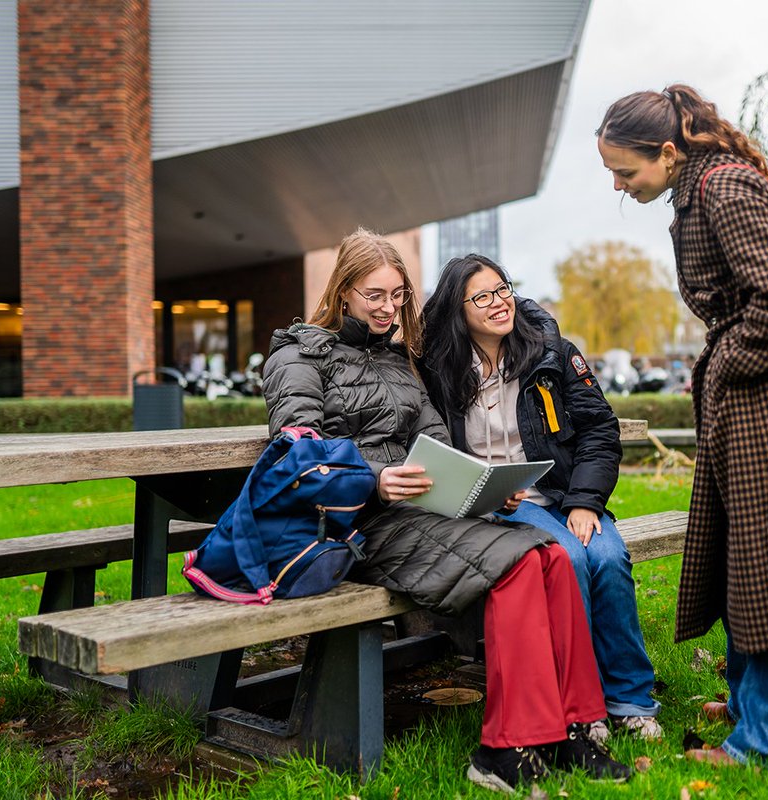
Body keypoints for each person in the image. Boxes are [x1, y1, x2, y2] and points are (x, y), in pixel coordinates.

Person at [261, 229, 630, 793]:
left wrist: (480, 484)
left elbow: (435, 442)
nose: (389, 309)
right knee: (521, 562)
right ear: (342, 292)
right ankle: (504, 751)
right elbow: (297, 447)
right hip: (353, 525)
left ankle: (575, 725)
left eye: (399, 295)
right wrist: (374, 479)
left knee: (551, 555)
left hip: (424, 513)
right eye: (374, 296)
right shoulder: (298, 353)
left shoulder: (399, 360)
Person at [596, 85, 768, 767]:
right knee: (751, 554)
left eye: (625, 171)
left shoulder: (723, 190)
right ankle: (760, 702)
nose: (617, 184)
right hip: (759, 396)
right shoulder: (704, 189)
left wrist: (728, 367)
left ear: (667, 153)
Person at [420, 255, 664, 741]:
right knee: (569, 558)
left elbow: (599, 430)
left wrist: (585, 501)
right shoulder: (438, 369)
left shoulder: (550, 352)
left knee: (609, 555)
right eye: (482, 297)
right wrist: (476, 489)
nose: (499, 302)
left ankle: (631, 699)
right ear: (457, 309)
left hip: (559, 493)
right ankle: (583, 703)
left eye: (502, 289)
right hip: (493, 504)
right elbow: (431, 449)